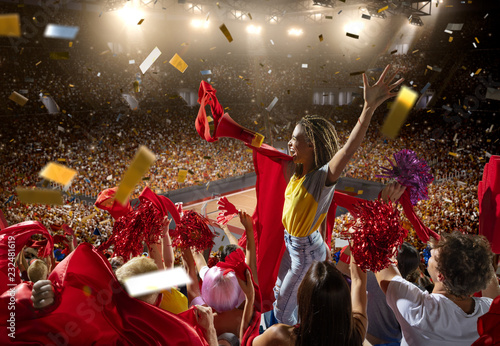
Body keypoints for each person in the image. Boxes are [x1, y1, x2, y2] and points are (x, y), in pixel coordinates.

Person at [274, 64, 404, 325]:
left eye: (295, 139)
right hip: (300, 243)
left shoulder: (322, 177)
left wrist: (368, 108)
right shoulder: (297, 171)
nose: (289, 142)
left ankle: (301, 335)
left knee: (281, 311)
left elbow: (347, 150)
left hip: (304, 251)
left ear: (311, 145)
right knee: (281, 290)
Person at [375, 230, 500, 346]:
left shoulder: (418, 309)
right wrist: (471, 255)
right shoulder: (488, 311)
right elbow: (493, 292)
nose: (430, 253)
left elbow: (378, 256)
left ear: (440, 275)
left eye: (433, 256)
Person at [249, 257, 367, 345]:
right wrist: (359, 239)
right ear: (344, 300)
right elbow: (358, 280)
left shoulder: (279, 335)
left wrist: (250, 299)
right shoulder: (358, 329)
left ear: (303, 299)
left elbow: (247, 341)